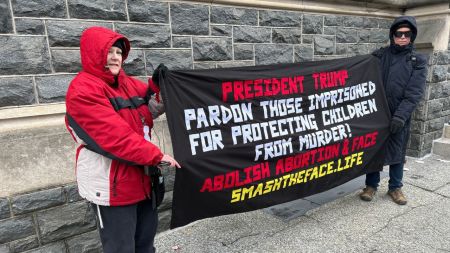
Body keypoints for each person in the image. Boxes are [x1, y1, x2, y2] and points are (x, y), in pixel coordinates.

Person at [65, 26, 180, 253]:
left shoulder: (127, 83)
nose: (115, 57)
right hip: (113, 186)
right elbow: (114, 137)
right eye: (109, 52)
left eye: (119, 52)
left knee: (145, 244)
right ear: (94, 53)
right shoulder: (82, 90)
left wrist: (160, 87)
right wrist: (156, 155)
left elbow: (149, 106)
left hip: (143, 180)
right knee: (121, 248)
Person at [360, 16, 427, 205]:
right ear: (393, 35)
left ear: (412, 36)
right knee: (375, 149)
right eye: (399, 33)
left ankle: (395, 187)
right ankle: (371, 185)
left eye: (407, 34)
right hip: (377, 112)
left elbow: (414, 93)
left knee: (397, 151)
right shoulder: (380, 55)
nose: (403, 37)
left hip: (400, 114)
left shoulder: (417, 61)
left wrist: (400, 116)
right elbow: (360, 72)